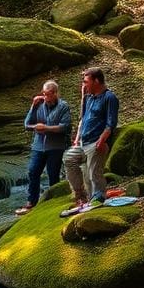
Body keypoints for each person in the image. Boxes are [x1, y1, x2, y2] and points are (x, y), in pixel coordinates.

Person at [61, 67, 119, 216]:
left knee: (94, 174)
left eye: (86, 82)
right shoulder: (89, 98)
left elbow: (111, 123)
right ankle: (81, 196)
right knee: (69, 159)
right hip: (83, 142)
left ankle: (98, 198)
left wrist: (102, 139)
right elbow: (83, 119)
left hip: (97, 142)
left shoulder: (109, 97)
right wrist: (77, 138)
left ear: (97, 81)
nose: (84, 85)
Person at [16, 80, 71, 214]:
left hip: (56, 147)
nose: (45, 97)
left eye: (48, 94)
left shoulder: (63, 106)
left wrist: (46, 128)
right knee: (33, 172)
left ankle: (53, 201)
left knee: (53, 174)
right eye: (43, 94)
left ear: (55, 93)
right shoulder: (39, 105)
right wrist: (33, 106)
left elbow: (66, 127)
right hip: (38, 146)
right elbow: (27, 124)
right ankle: (32, 202)